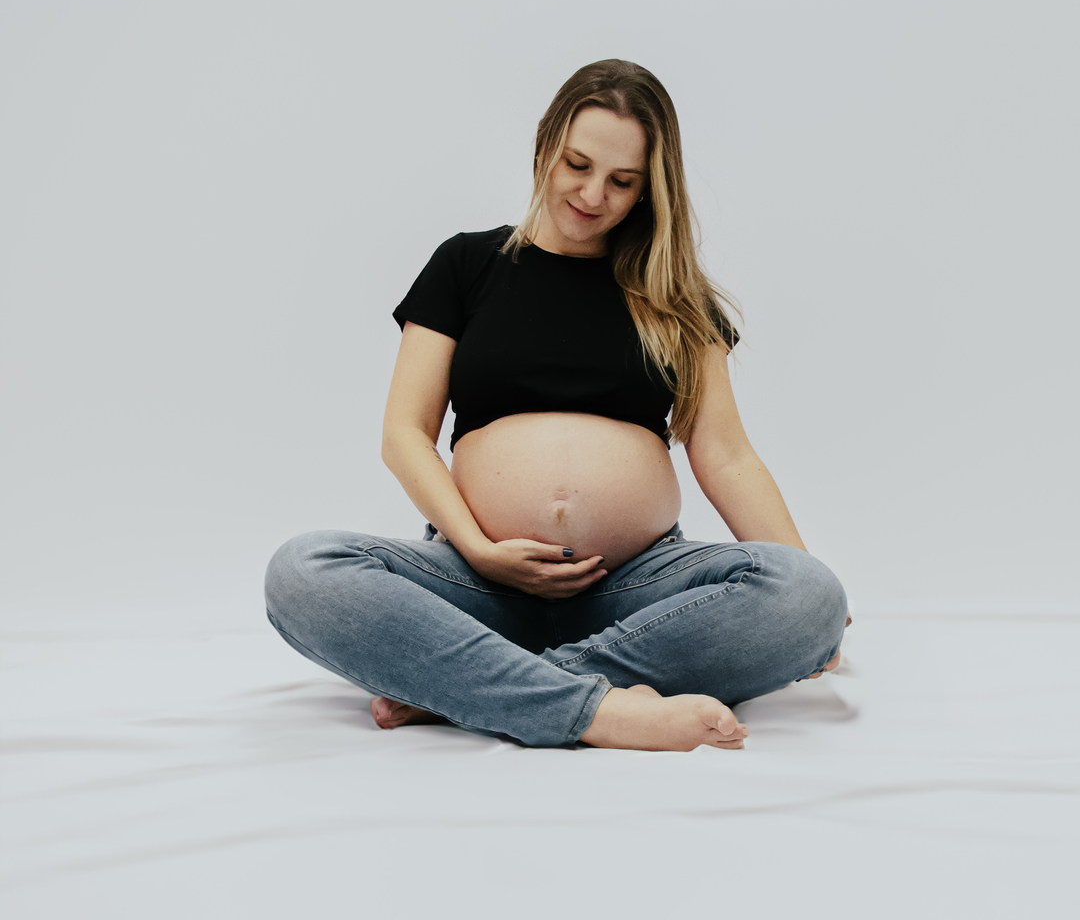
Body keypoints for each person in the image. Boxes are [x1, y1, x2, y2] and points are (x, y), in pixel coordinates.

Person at [265, 59, 848, 751]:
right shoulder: (466, 265)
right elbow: (405, 435)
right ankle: (606, 712)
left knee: (810, 593)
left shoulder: (675, 298)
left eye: (622, 181)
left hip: (635, 590)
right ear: (545, 144)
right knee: (302, 571)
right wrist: (480, 550)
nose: (593, 194)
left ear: (649, 189)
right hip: (476, 584)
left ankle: (473, 691)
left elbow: (724, 454)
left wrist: (816, 609)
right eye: (578, 164)